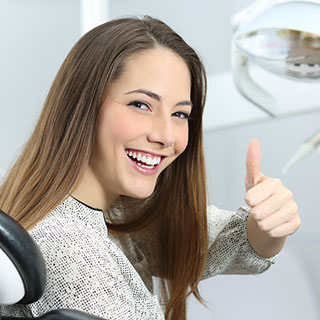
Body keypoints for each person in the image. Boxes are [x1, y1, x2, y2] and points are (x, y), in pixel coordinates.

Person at [0, 16, 300, 320]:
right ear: (84, 104)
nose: (166, 136)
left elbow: (195, 237)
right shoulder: (73, 247)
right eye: (141, 104)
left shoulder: (114, 213)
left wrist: (268, 225)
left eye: (180, 114)